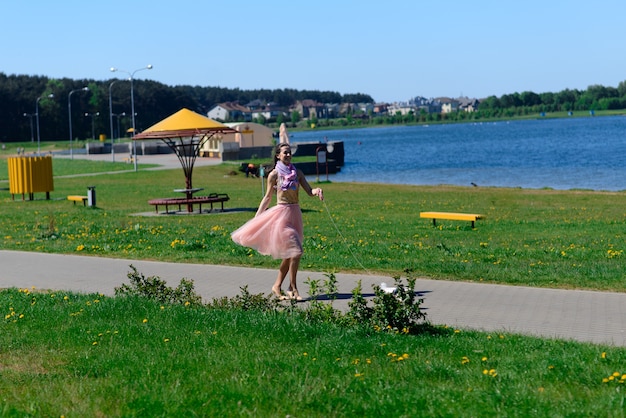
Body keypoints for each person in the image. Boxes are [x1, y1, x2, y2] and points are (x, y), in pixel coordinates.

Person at [231, 143, 323, 300]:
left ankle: (277, 286)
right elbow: (267, 198)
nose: (288, 155)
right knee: (297, 251)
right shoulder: (274, 175)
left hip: (295, 214)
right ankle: (293, 288)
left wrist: (317, 191)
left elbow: (309, 191)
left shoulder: (297, 173)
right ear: (278, 155)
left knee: (290, 255)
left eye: (289, 153)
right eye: (285, 153)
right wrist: (257, 218)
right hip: (281, 215)